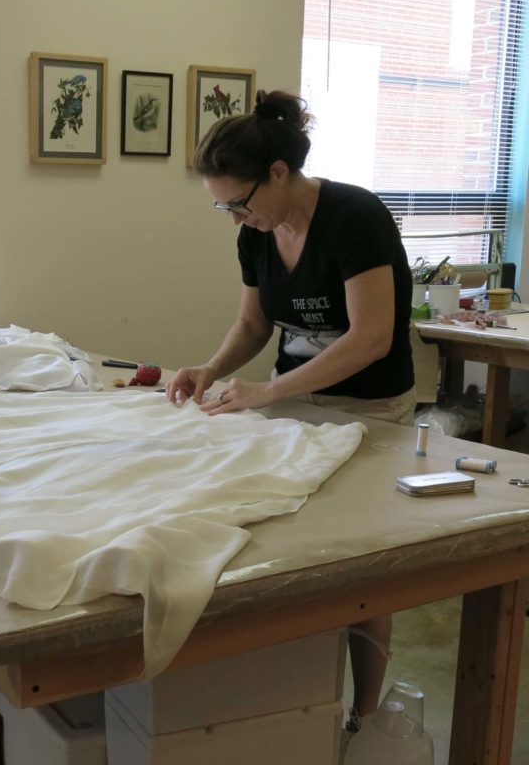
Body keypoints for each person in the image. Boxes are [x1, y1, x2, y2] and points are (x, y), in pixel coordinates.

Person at [166, 90, 414, 736]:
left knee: (361, 558)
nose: (234, 218)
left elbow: (372, 338)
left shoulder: (354, 216)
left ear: (279, 172)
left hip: (372, 406)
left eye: (239, 203)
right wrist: (211, 370)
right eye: (222, 206)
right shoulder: (257, 233)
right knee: (288, 542)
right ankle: (295, 698)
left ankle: (363, 711)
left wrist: (269, 394)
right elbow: (253, 324)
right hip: (294, 398)